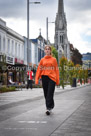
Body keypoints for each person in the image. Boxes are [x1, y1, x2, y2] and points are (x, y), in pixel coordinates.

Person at [35, 45, 59, 115]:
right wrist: (37, 79)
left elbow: (56, 70)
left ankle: (48, 108)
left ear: (50, 51)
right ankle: (50, 106)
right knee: (46, 93)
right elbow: (39, 69)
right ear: (45, 51)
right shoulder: (42, 60)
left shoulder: (54, 59)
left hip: (52, 78)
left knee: (50, 93)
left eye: (48, 49)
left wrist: (57, 80)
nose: (47, 50)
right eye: (46, 49)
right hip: (44, 77)